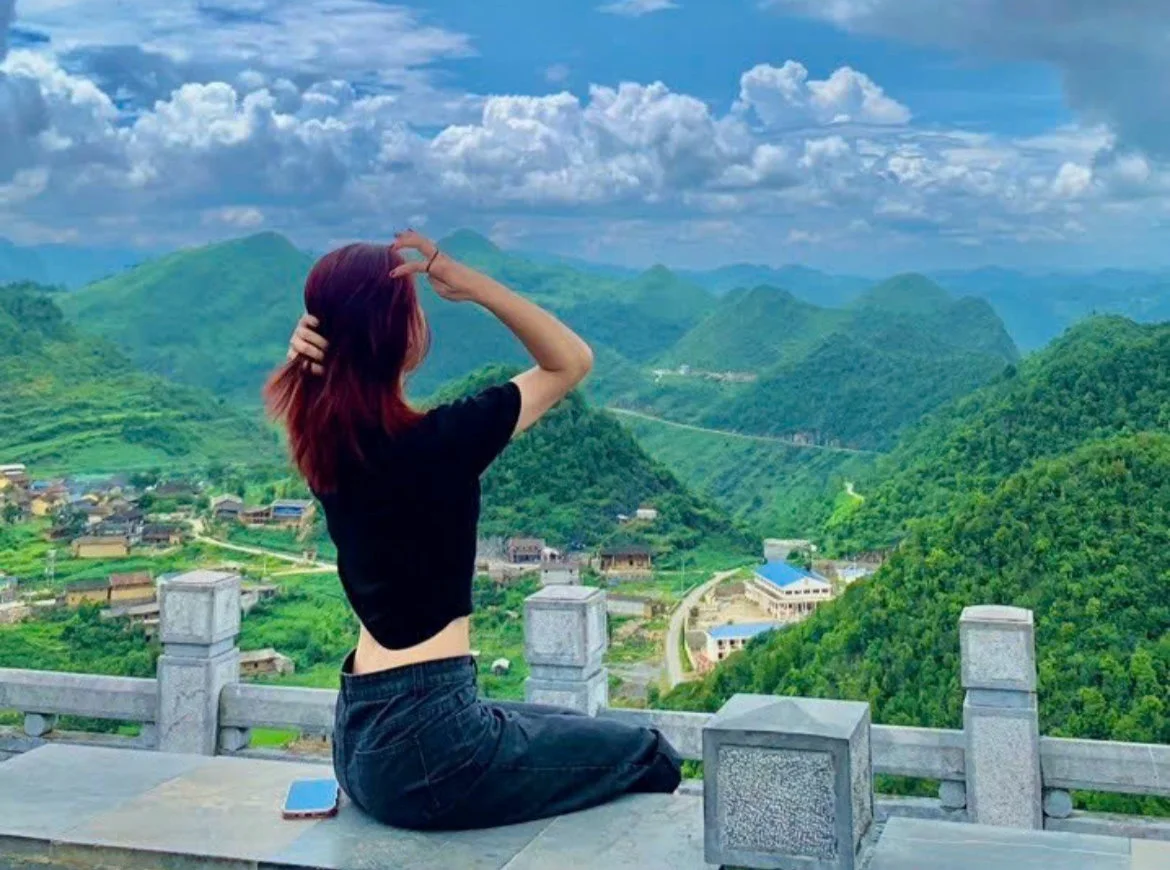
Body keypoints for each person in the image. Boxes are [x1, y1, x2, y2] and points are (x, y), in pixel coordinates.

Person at [265, 230, 682, 831]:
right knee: (647, 751)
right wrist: (473, 285)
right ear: (400, 336)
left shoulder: (326, 450)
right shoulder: (440, 445)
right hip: (432, 751)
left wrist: (308, 360)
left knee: (572, 729)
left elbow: (321, 395)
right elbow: (571, 360)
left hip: (359, 741)